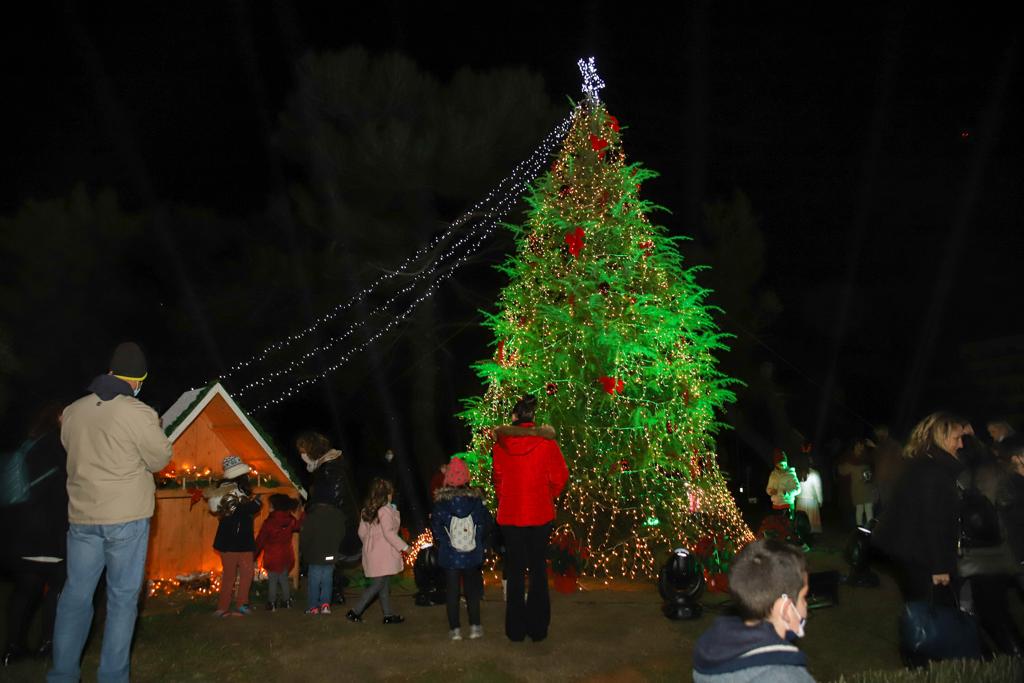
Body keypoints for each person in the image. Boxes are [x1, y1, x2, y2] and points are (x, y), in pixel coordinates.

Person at [48, 342, 173, 683]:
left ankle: (61, 675)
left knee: (75, 596)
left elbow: (71, 449)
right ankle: (112, 677)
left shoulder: (73, 411)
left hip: (83, 518)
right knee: (121, 600)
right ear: (138, 380)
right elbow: (160, 459)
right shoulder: (137, 412)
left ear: (111, 373)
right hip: (126, 519)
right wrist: (155, 427)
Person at [872, 412, 965, 639]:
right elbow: (932, 521)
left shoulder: (928, 465)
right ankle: (926, 658)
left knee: (924, 610)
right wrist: (939, 566)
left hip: (914, 553)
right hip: (921, 557)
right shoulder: (931, 471)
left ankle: (924, 656)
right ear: (941, 439)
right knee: (928, 614)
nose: (961, 444)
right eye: (956, 438)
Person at [491, 394, 569, 642]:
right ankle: (538, 629)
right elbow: (560, 476)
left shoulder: (500, 446)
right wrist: (548, 495)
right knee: (537, 571)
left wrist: (508, 498)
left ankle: (515, 630)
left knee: (514, 572)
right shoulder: (548, 445)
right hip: (539, 514)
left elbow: (499, 481)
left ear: (514, 417)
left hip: (511, 516)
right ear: (532, 418)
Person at [692, 539, 814, 682]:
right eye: (803, 597)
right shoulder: (788, 677)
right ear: (786, 609)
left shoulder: (711, 658)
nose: (806, 605)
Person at [2, 404, 67, 665]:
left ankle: (12, 647)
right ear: (58, 419)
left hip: (19, 532)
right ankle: (48, 644)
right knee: (58, 587)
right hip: (48, 531)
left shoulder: (29, 444)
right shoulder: (59, 447)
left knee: (25, 588)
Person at [430, 457, 493, 641]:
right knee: (472, 591)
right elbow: (487, 524)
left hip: (450, 556)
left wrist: (444, 542)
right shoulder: (476, 502)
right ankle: (475, 627)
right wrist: (478, 540)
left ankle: (455, 630)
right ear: (466, 477)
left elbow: (436, 528)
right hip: (472, 555)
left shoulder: (441, 504)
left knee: (452, 592)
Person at [204, 455, 262, 617]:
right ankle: (227, 607)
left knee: (242, 574)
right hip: (233, 541)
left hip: (238, 541)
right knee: (237, 574)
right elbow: (237, 512)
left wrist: (252, 506)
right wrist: (254, 505)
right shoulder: (230, 490)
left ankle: (235, 605)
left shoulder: (233, 489)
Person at [347, 478, 409, 624]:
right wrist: (405, 547)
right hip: (384, 553)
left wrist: (370, 545)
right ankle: (355, 611)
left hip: (373, 552)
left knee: (384, 584)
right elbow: (390, 532)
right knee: (378, 584)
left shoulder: (367, 510)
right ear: (388, 494)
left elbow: (361, 532)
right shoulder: (385, 511)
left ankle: (388, 615)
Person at [300, 490, 346, 615]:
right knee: (327, 580)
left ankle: (313, 606)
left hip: (315, 554)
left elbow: (305, 537)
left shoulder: (313, 516)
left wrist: (304, 551)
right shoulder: (338, 515)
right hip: (331, 553)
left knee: (314, 581)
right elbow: (342, 533)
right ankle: (325, 605)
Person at [255, 493, 301, 611]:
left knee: (273, 581)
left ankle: (272, 603)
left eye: (270, 505)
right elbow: (297, 527)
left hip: (273, 557)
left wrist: (254, 554)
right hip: (287, 556)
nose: (269, 507)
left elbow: (260, 540)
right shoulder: (291, 520)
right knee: (284, 579)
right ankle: (286, 601)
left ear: (275, 506)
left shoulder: (269, 523)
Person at [838, 440, 876, 527]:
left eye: (861, 445)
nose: (860, 447)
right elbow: (841, 470)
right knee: (859, 509)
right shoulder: (849, 457)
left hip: (867, 489)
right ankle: (859, 529)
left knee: (868, 509)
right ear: (854, 446)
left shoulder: (867, 456)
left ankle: (869, 529)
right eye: (858, 445)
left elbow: (872, 467)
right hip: (857, 489)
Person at [766, 449, 800, 517]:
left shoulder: (791, 474)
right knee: (777, 526)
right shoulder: (773, 475)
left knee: (788, 526)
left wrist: (787, 493)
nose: (783, 465)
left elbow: (798, 489)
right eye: (781, 464)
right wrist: (770, 491)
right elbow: (768, 488)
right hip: (775, 505)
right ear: (776, 464)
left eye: (784, 463)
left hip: (787, 504)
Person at [794, 462, 823, 535]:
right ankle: (811, 536)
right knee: (811, 522)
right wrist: (820, 500)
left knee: (801, 521)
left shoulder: (796, 473)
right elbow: (818, 488)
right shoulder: (814, 473)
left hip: (800, 501)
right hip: (811, 501)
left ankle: (801, 535)